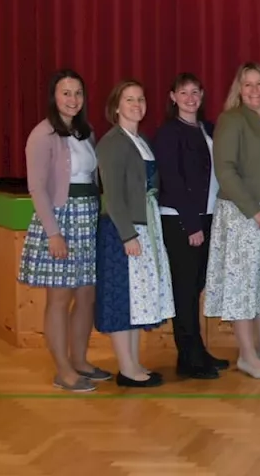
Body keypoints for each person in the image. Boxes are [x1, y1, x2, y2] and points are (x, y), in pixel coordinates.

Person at [18, 69, 108, 392]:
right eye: (66, 93)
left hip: (87, 218)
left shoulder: (88, 132)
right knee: (59, 298)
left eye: (78, 93)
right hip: (61, 221)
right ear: (53, 97)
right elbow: (37, 188)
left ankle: (81, 360)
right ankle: (63, 370)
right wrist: (53, 233)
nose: (72, 100)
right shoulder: (41, 135)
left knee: (86, 295)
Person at [204, 63, 260, 380]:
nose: (254, 90)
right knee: (243, 285)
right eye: (247, 85)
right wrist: (253, 209)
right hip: (244, 214)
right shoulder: (231, 120)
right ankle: (246, 354)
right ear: (238, 90)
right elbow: (225, 170)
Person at [94, 80, 175, 388]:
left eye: (140, 99)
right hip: (122, 229)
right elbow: (112, 195)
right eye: (130, 99)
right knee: (121, 299)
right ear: (117, 106)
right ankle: (126, 368)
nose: (137, 105)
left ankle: (133, 362)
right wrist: (127, 235)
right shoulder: (113, 142)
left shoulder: (139, 140)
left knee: (134, 300)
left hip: (145, 223)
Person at [155, 73, 227, 379]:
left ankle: (197, 349)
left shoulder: (207, 129)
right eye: (183, 92)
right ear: (172, 96)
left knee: (195, 286)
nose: (190, 97)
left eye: (195, 91)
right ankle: (187, 359)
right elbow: (172, 181)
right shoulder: (169, 133)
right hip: (182, 220)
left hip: (208, 216)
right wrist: (191, 223)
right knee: (184, 290)